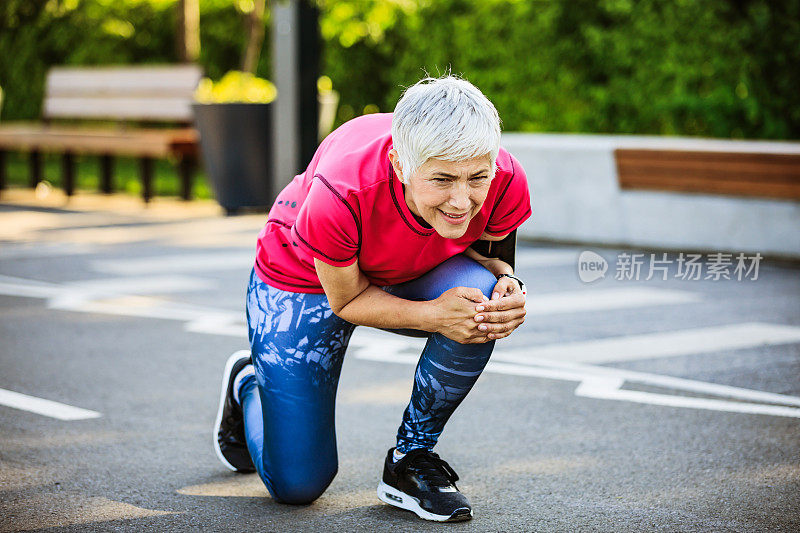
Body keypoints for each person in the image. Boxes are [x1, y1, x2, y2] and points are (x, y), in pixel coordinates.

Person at [213, 75, 531, 522]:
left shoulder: (502, 175)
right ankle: (250, 383)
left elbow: (494, 260)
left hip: (409, 265)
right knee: (298, 486)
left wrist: (510, 288)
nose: (463, 200)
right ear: (401, 165)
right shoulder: (339, 191)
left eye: (477, 177)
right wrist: (435, 315)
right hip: (306, 279)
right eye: (442, 179)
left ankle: (411, 459)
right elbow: (346, 302)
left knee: (478, 305)